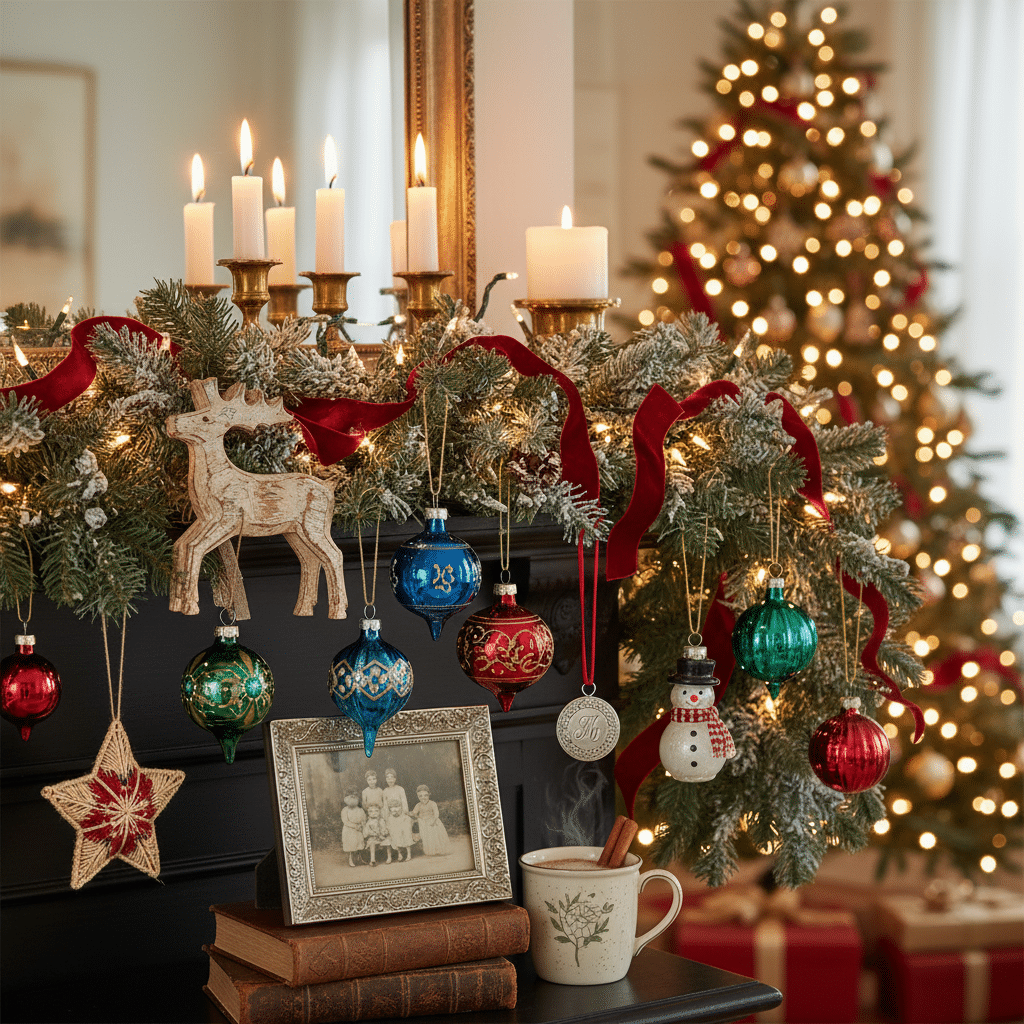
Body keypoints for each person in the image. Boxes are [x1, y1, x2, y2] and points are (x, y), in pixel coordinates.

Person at [410, 784, 450, 856]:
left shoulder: (432, 803)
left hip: (433, 822)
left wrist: (434, 821)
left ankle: (439, 850)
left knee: (435, 836)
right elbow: (414, 812)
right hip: (424, 823)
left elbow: (436, 813)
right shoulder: (418, 805)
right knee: (427, 837)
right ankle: (431, 851)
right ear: (418, 796)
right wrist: (408, 813)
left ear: (429, 794)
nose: (423, 798)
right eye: (420, 796)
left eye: (425, 795)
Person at [340, 789, 366, 868]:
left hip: (358, 829)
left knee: (359, 844)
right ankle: (351, 859)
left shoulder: (360, 810)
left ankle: (360, 858)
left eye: (354, 798)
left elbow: (364, 819)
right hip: (349, 830)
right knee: (351, 845)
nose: (352, 800)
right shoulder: (345, 810)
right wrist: (355, 826)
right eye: (350, 798)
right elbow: (345, 821)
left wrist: (361, 826)